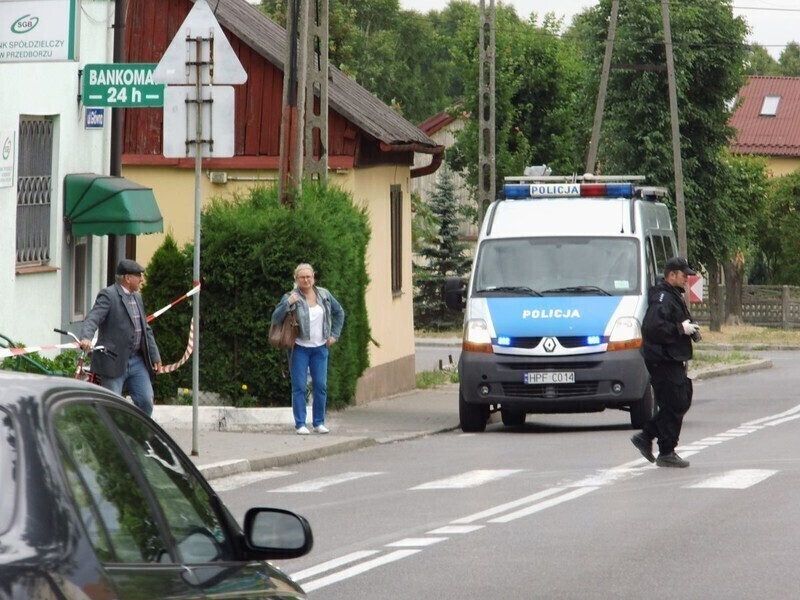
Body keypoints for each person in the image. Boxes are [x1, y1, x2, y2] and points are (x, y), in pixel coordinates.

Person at [631, 256, 699, 468]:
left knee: (679, 400)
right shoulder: (662, 297)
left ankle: (652, 440)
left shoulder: (672, 296)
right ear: (672, 275)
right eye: (683, 274)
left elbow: (671, 322)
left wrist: (689, 328)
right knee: (675, 402)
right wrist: (681, 329)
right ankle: (664, 449)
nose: (687, 278)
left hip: (671, 357)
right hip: (662, 359)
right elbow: (653, 328)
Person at [80, 259, 162, 417]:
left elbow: (145, 328)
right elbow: (93, 318)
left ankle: (139, 436)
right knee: (112, 406)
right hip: (114, 361)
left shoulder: (137, 297)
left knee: (146, 400)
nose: (141, 279)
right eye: (138, 275)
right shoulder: (108, 295)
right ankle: (111, 438)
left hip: (137, 361)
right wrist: (86, 338)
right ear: (127, 278)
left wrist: (154, 355)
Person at [272, 263, 344, 435]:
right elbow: (275, 318)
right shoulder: (291, 296)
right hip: (299, 348)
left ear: (314, 278)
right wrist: (287, 303)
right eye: (302, 277)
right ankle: (300, 424)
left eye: (309, 277)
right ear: (296, 279)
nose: (306, 280)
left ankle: (318, 422)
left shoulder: (324, 294)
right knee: (299, 387)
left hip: (320, 348)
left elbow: (339, 312)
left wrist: (334, 335)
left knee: (320, 385)